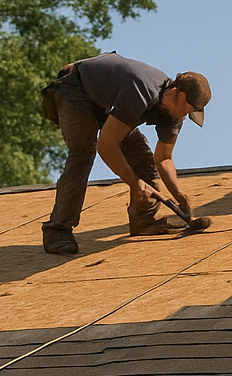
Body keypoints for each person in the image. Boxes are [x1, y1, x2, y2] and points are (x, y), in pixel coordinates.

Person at [43, 54, 211, 253]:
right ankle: (57, 231)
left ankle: (143, 220)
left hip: (108, 101)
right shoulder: (141, 91)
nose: (185, 116)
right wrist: (135, 182)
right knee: (82, 154)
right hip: (76, 89)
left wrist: (180, 195)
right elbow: (106, 146)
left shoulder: (175, 113)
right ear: (179, 94)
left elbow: (164, 158)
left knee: (140, 156)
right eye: (187, 110)